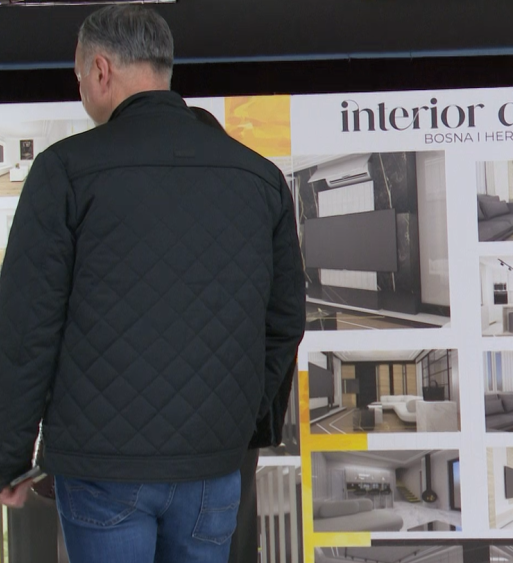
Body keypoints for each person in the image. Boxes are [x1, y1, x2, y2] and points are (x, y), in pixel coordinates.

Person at [0, 5, 305, 563]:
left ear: (100, 70)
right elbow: (284, 322)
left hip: (100, 467)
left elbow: (26, 326)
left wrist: (8, 455)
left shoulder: (66, 170)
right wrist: (240, 420)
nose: (82, 90)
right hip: (212, 464)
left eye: (79, 77)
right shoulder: (260, 178)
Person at [188, 106, 300, 563]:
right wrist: (252, 406)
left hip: (138, 435)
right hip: (230, 422)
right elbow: (286, 318)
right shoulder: (262, 186)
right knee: (228, 542)